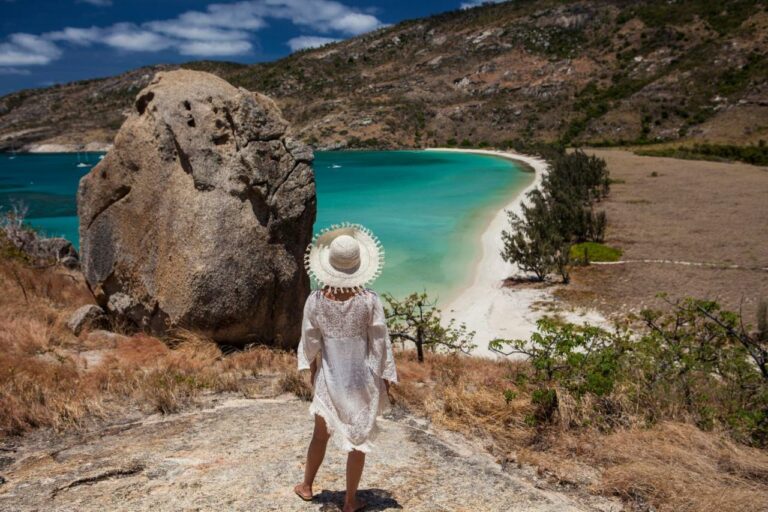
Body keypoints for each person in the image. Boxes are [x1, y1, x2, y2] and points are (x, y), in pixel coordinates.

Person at [293, 222, 398, 512]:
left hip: (330, 378)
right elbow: (379, 342)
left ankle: (307, 486)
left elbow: (310, 342)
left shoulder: (315, 301)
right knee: (357, 441)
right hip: (361, 379)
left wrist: (312, 371)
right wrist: (385, 377)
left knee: (319, 435)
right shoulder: (369, 301)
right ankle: (350, 501)